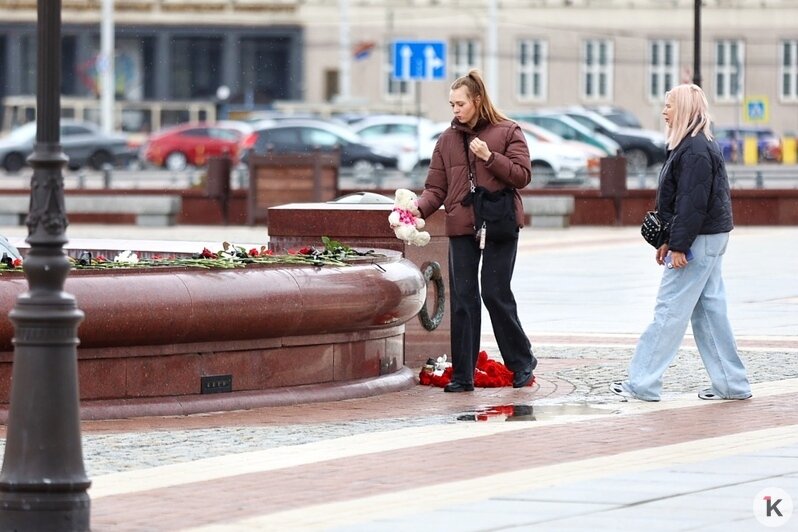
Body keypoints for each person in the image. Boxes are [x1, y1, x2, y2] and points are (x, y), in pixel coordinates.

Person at [610, 83, 752, 402]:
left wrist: (678, 245)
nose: (664, 111)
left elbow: (692, 204)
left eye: (670, 105)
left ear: (685, 109)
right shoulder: (693, 145)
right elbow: (684, 203)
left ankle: (642, 383)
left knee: (669, 310)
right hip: (707, 237)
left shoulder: (695, 149)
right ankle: (732, 384)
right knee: (709, 311)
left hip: (698, 240)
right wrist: (669, 240)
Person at [413, 69, 536, 393]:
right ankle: (463, 375)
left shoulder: (508, 131)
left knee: (495, 293)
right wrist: (417, 209)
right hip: (462, 225)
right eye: (452, 104)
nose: (455, 110)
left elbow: (522, 175)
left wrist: (490, 157)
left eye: (460, 104)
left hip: (499, 223)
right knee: (464, 300)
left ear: (477, 101)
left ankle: (522, 362)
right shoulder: (447, 140)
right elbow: (435, 188)